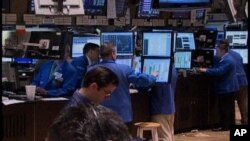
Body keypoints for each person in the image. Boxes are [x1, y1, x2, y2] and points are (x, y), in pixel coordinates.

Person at [47, 66, 133, 141]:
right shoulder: (75, 112)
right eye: (107, 93)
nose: (108, 97)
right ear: (94, 86)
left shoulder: (84, 106)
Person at [89, 43, 158, 126]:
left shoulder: (91, 70)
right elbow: (143, 81)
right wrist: (152, 77)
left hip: (98, 115)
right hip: (122, 115)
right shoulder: (124, 69)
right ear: (113, 54)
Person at [197, 39, 239, 131]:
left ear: (222, 50)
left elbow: (219, 71)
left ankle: (224, 126)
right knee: (228, 108)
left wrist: (205, 70)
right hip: (228, 87)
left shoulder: (228, 60)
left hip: (226, 88)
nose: (216, 51)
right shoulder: (226, 58)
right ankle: (228, 125)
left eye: (217, 49)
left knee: (225, 108)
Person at [150, 63, 178, 141]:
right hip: (170, 107)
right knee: (169, 135)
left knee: (163, 137)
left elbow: (145, 84)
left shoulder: (159, 67)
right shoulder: (172, 66)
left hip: (160, 108)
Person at [228, 49, 248, 124]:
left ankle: (230, 121)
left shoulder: (223, 56)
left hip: (234, 80)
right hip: (243, 79)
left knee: (229, 101)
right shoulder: (237, 54)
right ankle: (245, 119)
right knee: (243, 101)